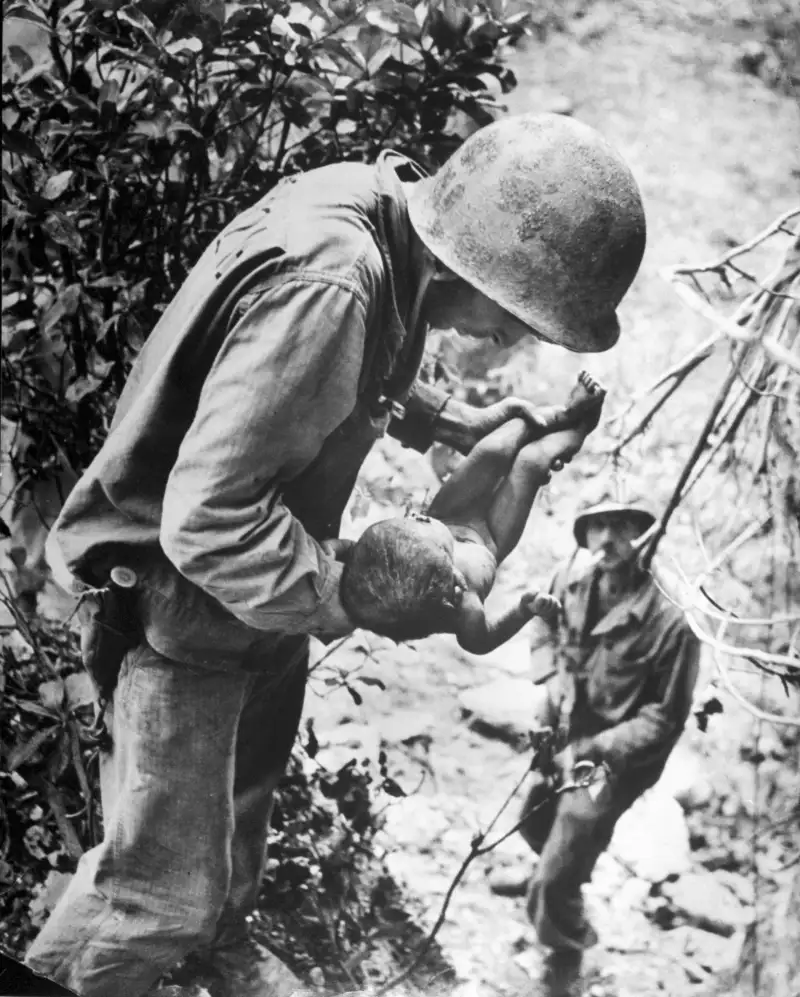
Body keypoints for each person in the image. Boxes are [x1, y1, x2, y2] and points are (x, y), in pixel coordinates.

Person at [25, 112, 646, 997]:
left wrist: (444, 420)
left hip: (259, 595)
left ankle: (216, 946)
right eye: (518, 318)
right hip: (185, 608)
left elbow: (331, 363)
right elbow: (208, 522)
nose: (511, 342)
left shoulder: (385, 223)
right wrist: (350, 594)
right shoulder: (339, 280)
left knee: (239, 816)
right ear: (475, 262)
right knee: (153, 894)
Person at [488, 493, 702, 997]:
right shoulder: (571, 580)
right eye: (597, 527)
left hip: (614, 758)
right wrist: (551, 674)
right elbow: (544, 625)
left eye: (622, 527)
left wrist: (596, 750)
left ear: (645, 535)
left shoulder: (671, 621)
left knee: (579, 822)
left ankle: (566, 945)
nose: (607, 540)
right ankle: (557, 874)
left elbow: (665, 718)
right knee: (537, 814)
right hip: (561, 727)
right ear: (583, 535)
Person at [340, 372, 605, 653]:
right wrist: (523, 611)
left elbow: (352, 552)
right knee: (532, 462)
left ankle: (560, 414)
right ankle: (582, 424)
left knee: (492, 449)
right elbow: (481, 643)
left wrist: (337, 549)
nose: (418, 516)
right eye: (421, 523)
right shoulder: (466, 607)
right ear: (455, 579)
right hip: (491, 538)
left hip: (451, 514)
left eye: (412, 520)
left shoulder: (378, 567)